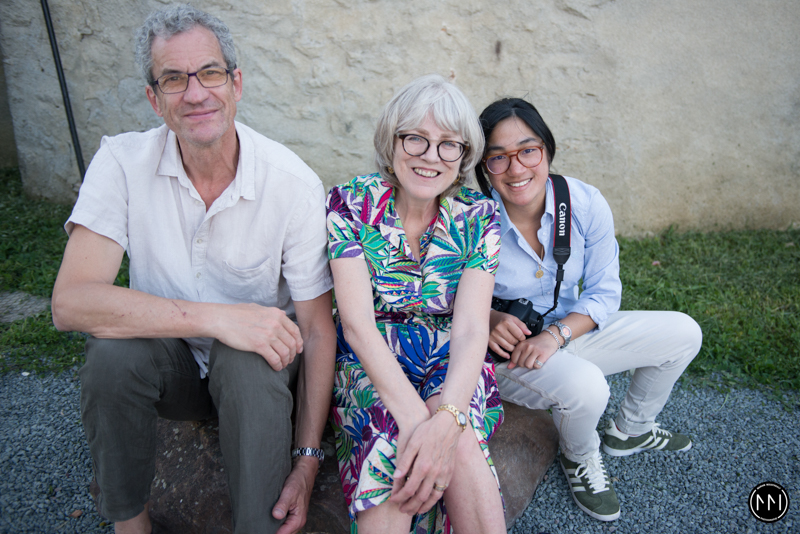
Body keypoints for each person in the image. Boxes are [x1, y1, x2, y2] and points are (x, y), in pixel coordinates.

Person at [51, 5, 336, 533]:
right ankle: (132, 525)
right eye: (174, 79)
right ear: (153, 99)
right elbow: (71, 303)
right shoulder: (121, 163)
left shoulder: (292, 184)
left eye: (209, 73)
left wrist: (307, 460)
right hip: (173, 367)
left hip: (259, 377)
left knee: (246, 356)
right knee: (113, 356)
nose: (196, 93)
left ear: (236, 83)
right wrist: (217, 318)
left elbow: (318, 331)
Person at [475, 98, 702, 522]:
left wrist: (556, 335)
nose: (516, 168)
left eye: (528, 150)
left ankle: (631, 430)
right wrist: (488, 319)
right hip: (506, 356)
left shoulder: (582, 202)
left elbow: (604, 292)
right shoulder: (473, 217)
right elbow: (442, 299)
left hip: (565, 333)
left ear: (547, 149)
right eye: (498, 157)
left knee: (684, 332)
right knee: (589, 388)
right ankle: (579, 456)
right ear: (484, 167)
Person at [325, 75, 506, 534]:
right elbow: (357, 325)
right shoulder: (350, 204)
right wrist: (415, 421)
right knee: (391, 445)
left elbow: (471, 329)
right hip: (370, 359)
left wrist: (446, 421)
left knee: (460, 441)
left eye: (449, 145)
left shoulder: (479, 215)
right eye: (416, 139)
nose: (431, 156)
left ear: (463, 156)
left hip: (450, 357)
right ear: (392, 141)